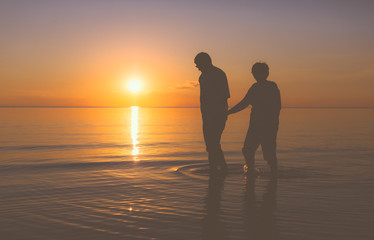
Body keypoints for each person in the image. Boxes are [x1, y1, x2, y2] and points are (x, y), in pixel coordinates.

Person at [228, 62, 281, 175]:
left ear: (265, 73)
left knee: (269, 154)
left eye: (255, 72)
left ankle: (274, 174)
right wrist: (228, 113)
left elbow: (277, 107)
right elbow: (244, 103)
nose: (254, 75)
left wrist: (271, 124)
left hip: (268, 126)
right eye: (253, 73)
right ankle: (251, 170)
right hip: (255, 125)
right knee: (247, 150)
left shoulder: (272, 86)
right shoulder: (254, 87)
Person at [194, 52, 230, 173]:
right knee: (211, 145)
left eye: (198, 64)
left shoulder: (219, 74)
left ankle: (220, 169)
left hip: (218, 115)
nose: (197, 67)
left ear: (205, 62)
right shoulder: (202, 77)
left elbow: (224, 96)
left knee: (213, 143)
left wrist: (218, 115)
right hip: (206, 116)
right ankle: (216, 169)